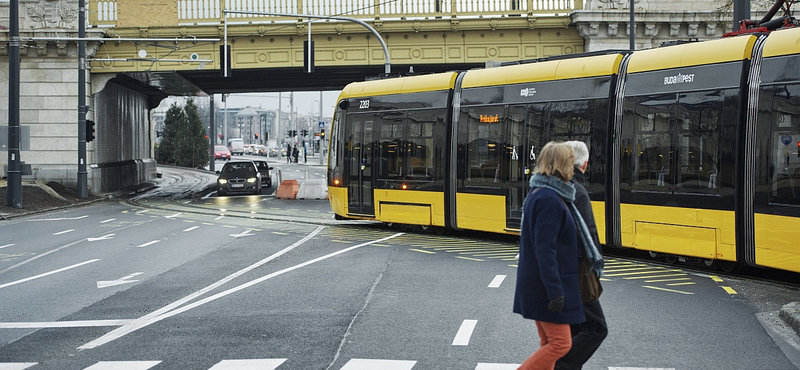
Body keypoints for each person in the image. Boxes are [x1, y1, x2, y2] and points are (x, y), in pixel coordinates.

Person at [514, 141, 585, 370]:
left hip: (538, 284)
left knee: (548, 342)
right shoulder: (549, 199)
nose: (573, 168)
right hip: (546, 287)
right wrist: (555, 291)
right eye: (570, 163)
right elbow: (546, 250)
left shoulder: (541, 193)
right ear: (563, 165)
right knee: (561, 344)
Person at [555, 141, 608, 370]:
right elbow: (589, 235)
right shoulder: (578, 190)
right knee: (597, 328)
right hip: (576, 272)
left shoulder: (556, 186)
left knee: (576, 327)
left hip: (562, 270)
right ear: (584, 164)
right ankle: (560, 366)